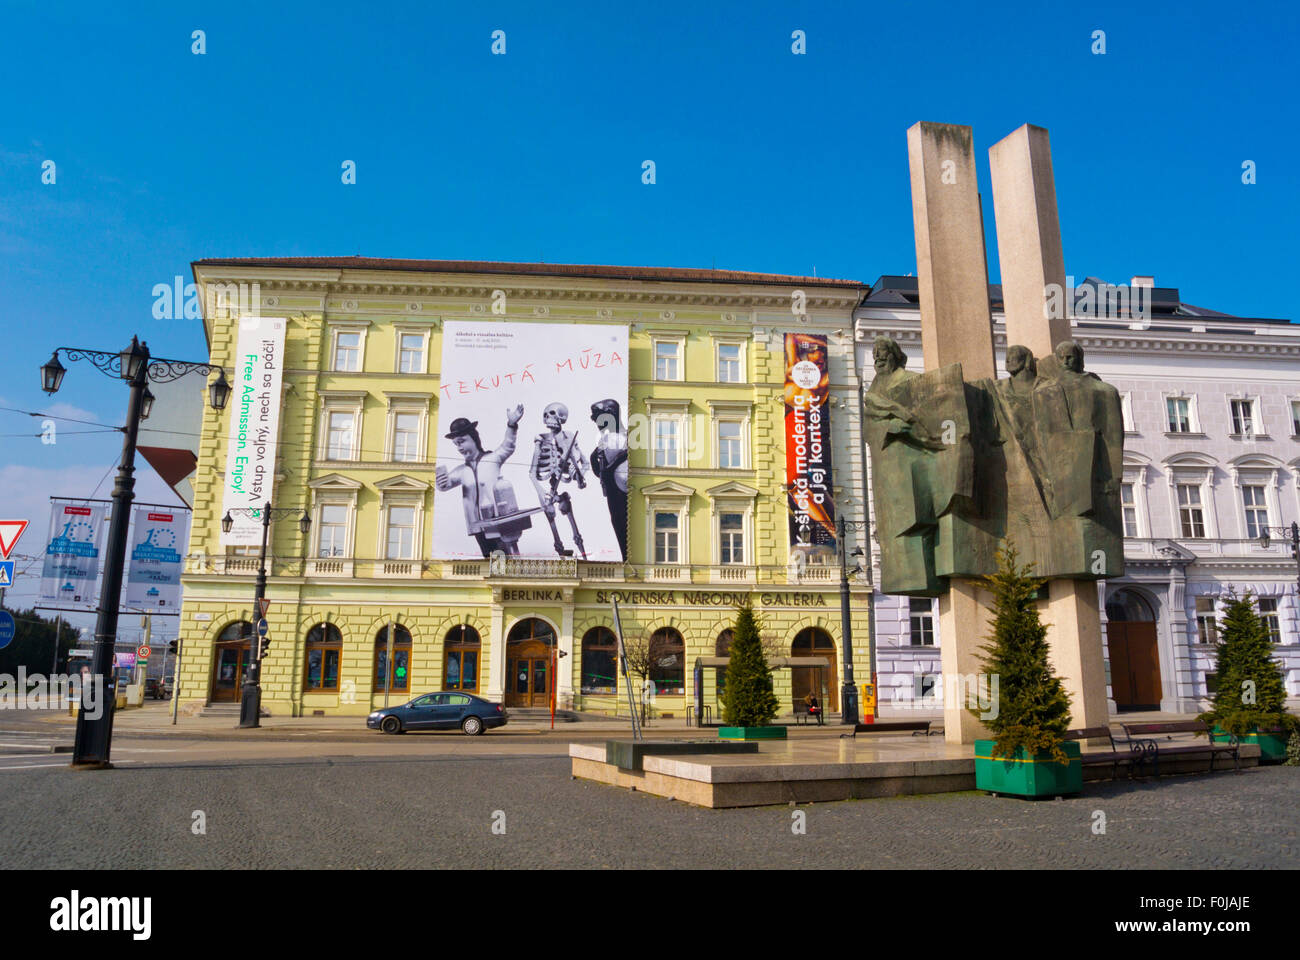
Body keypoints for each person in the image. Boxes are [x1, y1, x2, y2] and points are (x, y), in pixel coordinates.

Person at [436, 406, 530, 556]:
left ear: (474, 438)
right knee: (492, 562)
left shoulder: (492, 459)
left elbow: (508, 446)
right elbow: (445, 485)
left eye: (461, 441)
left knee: (507, 560)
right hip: (478, 526)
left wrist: (512, 425)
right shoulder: (461, 471)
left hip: (498, 521)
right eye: (456, 444)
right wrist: (440, 482)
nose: (459, 447)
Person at [590, 398, 629, 561]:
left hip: (629, 495)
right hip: (614, 495)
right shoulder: (602, 443)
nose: (596, 422)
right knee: (620, 527)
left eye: (598, 417)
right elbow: (597, 467)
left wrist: (610, 467)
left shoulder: (630, 437)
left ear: (611, 414)